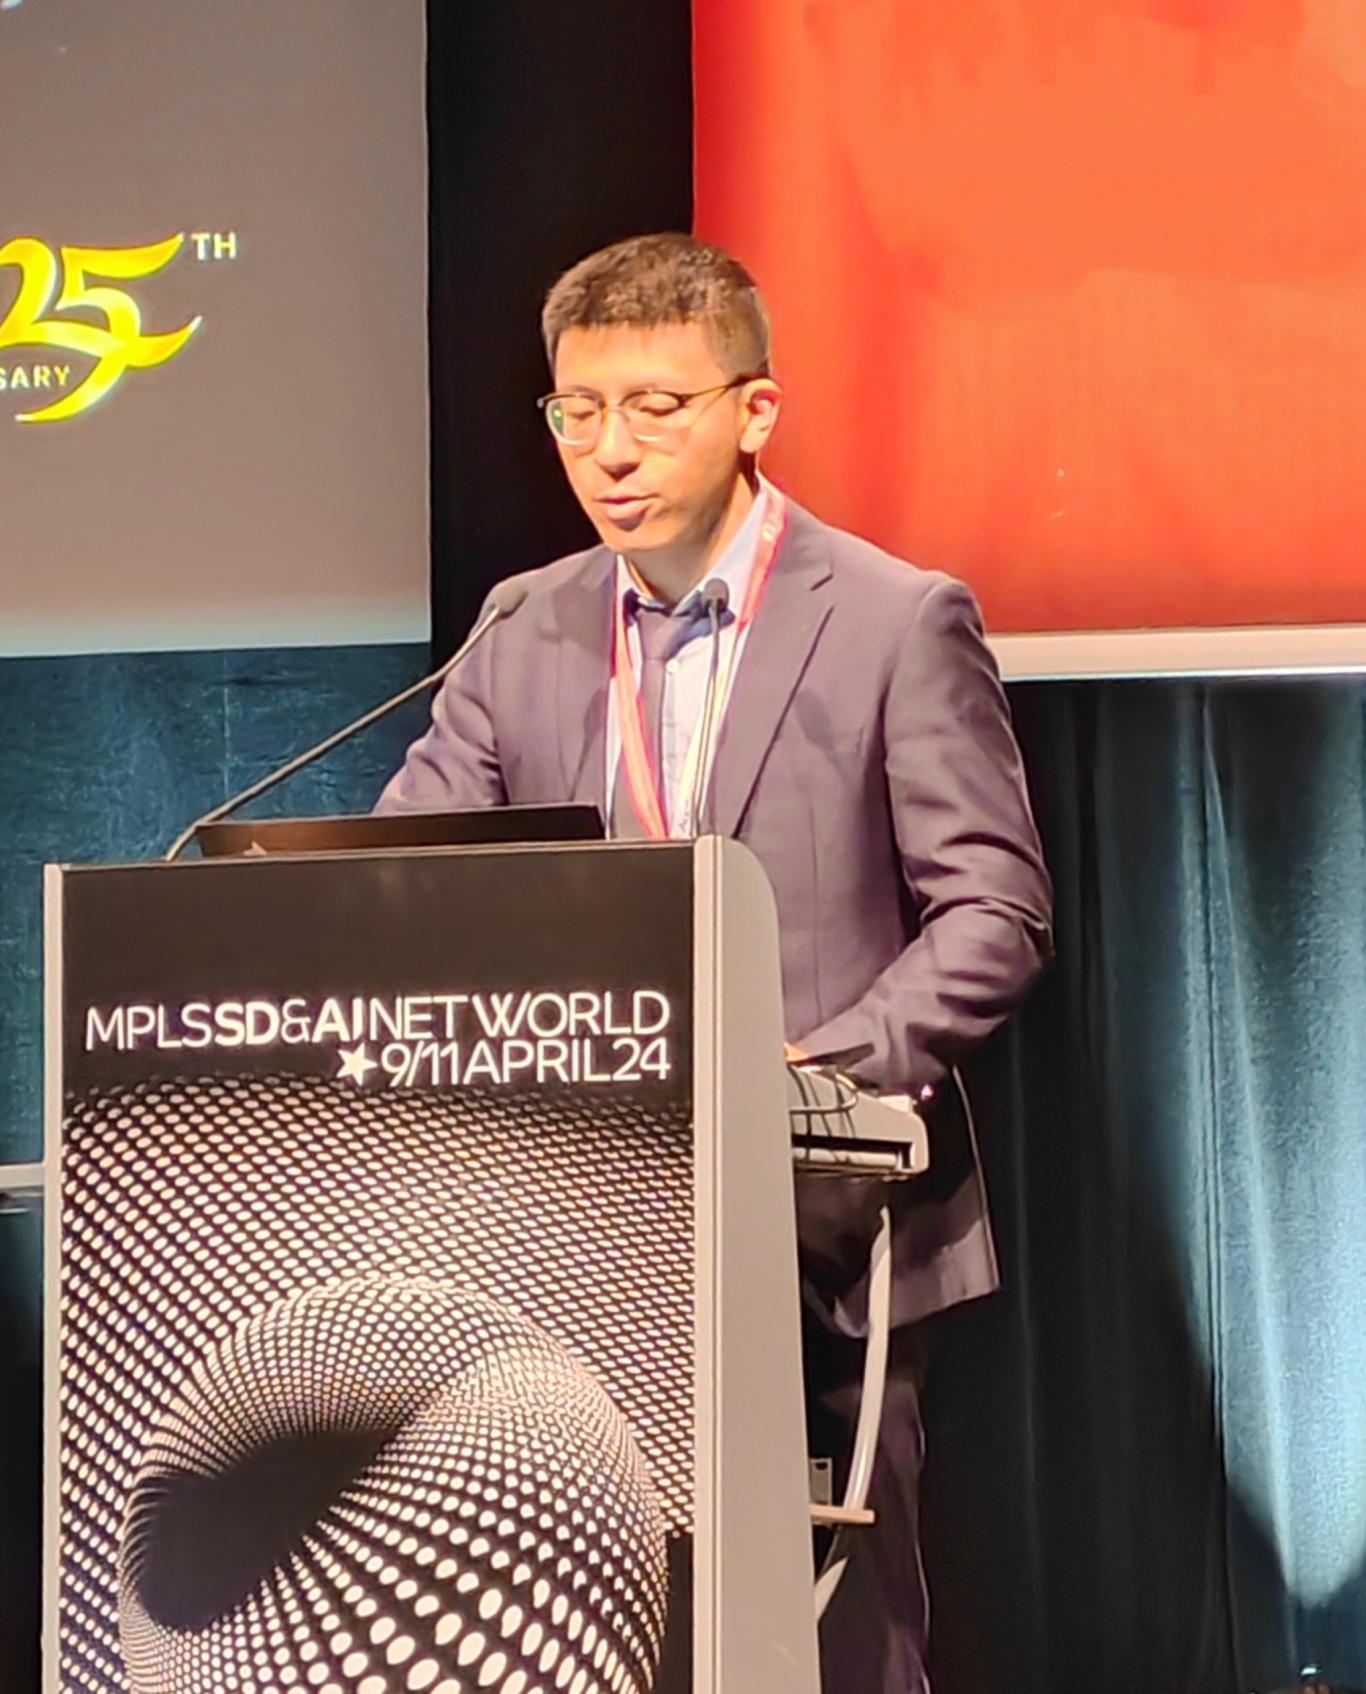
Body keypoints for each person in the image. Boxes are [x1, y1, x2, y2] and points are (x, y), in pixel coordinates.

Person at [376, 232, 1053, 1693]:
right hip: (567, 1218)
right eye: (576, 411)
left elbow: (994, 913)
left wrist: (813, 1067)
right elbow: (409, 874)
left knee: (829, 1646)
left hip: (816, 1216)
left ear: (755, 411)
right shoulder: (522, 626)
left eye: (654, 407)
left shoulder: (892, 618)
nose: (609, 451)